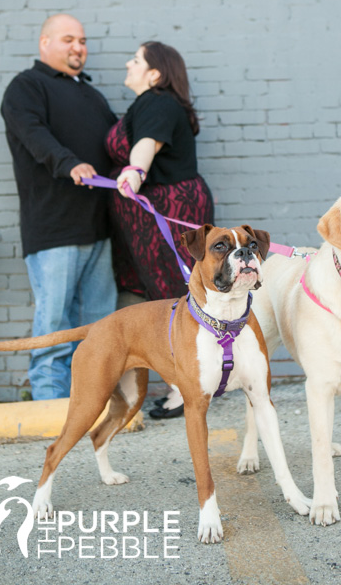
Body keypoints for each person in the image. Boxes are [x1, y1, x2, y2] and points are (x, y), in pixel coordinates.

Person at [1, 14, 118, 400]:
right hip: (54, 231)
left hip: (98, 230)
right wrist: (69, 164)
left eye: (82, 41)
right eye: (68, 39)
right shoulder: (26, 87)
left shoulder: (91, 94)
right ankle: (50, 406)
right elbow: (34, 135)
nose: (78, 48)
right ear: (44, 43)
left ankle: (94, 402)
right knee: (54, 326)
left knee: (100, 326)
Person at [106, 41, 214, 418]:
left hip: (169, 209)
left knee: (172, 293)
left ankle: (188, 387)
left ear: (155, 73)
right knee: (159, 292)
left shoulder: (158, 102)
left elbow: (146, 146)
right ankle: (182, 381)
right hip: (152, 213)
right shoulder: (148, 103)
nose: (127, 63)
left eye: (135, 60)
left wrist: (135, 172)